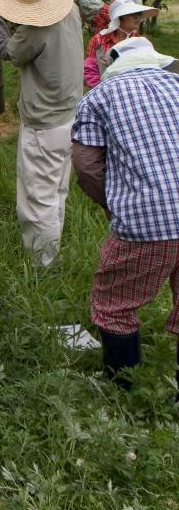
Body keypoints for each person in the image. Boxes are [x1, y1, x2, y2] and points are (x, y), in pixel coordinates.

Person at [71, 39, 179, 394]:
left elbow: (87, 167)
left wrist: (112, 202)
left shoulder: (98, 98)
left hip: (147, 219)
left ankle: (124, 389)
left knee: (114, 304)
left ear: (111, 64)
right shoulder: (176, 85)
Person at [0, 0, 82, 268]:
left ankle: (42, 267)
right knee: (56, 189)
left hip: (44, 124)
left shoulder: (35, 28)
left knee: (38, 197)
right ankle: (52, 249)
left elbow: (6, 51)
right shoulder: (71, 11)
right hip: (69, 115)